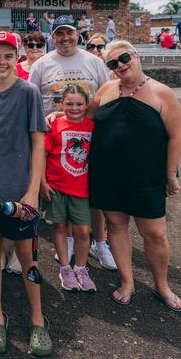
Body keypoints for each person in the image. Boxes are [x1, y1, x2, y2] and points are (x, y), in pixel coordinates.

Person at [0, 31, 52, 357]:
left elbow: (39, 143)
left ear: (17, 58)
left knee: (28, 256)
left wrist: (32, 191)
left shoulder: (28, 92)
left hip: (19, 192)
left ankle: (38, 318)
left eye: (8, 56)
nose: (1, 62)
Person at [88, 41, 181, 313]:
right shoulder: (106, 89)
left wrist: (171, 174)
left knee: (154, 233)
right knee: (116, 226)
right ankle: (127, 281)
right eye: (112, 63)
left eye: (124, 58)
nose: (120, 65)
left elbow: (177, 137)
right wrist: (59, 114)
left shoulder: (161, 93)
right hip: (108, 173)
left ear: (136, 56)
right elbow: (85, 118)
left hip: (146, 176)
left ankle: (162, 285)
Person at [29, 16, 115, 270]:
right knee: (61, 191)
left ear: (78, 34)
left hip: (88, 138)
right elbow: (31, 100)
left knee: (91, 195)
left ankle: (100, 243)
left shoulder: (92, 62)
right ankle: (66, 241)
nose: (65, 38)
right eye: (59, 34)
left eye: (70, 33)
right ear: (52, 37)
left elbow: (106, 94)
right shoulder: (43, 64)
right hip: (55, 139)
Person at [41, 85, 96, 293]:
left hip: (82, 188)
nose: (74, 108)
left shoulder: (92, 126)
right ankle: (65, 267)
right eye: (69, 104)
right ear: (61, 104)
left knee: (83, 231)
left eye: (79, 104)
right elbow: (44, 155)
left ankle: (81, 268)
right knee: (60, 227)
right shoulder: (54, 124)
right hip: (56, 186)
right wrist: (42, 183)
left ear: (86, 105)